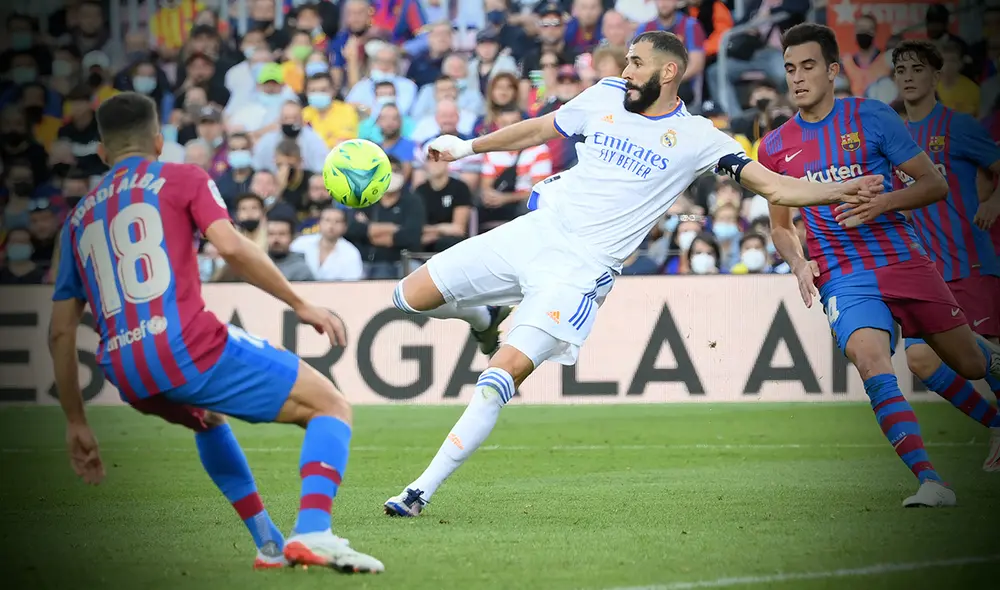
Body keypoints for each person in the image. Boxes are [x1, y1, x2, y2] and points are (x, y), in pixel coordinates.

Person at [382, 30, 884, 517]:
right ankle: (481, 317)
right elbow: (541, 127)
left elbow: (776, 188)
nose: (625, 71)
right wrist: (467, 148)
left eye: (635, 63)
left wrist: (842, 189)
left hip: (580, 272)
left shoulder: (699, 137)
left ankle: (419, 490)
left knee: (498, 378)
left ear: (668, 72)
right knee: (407, 297)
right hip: (535, 232)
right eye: (625, 62)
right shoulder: (604, 95)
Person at [48, 92, 383, 572]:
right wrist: (300, 302)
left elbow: (60, 333)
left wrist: (76, 421)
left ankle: (269, 544)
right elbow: (231, 247)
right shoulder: (182, 177)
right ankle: (314, 532)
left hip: (125, 370)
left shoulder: (76, 220)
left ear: (102, 153)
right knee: (330, 405)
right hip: (188, 344)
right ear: (160, 141)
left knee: (207, 419)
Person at [761, 24, 1000, 509]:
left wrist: (882, 203)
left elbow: (934, 184)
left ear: (832, 70)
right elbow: (782, 226)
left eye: (808, 66)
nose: (798, 78)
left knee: (971, 362)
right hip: (843, 274)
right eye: (790, 69)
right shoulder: (776, 146)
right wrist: (798, 261)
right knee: (871, 360)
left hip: (902, 260)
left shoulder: (871, 117)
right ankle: (932, 481)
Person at [891, 41, 1000, 471]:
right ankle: (994, 423)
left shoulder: (958, 125)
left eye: (918, 68)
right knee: (918, 358)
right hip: (925, 270)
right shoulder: (892, 133)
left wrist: (993, 203)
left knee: (985, 357)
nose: (909, 76)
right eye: (901, 69)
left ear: (936, 76)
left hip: (968, 260)